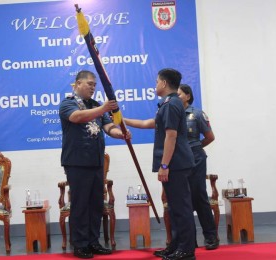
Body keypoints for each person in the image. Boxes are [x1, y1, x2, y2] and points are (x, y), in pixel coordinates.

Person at [124, 69, 196, 260]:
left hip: (176, 164)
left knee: (181, 208)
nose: (155, 85)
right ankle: (176, 245)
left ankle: (187, 250)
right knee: (173, 208)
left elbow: (171, 136)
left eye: (157, 82)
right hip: (175, 163)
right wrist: (123, 121)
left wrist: (164, 165)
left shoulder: (172, 104)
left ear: (164, 83)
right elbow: (150, 123)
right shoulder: (167, 104)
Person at [59, 70, 131, 259]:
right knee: (80, 204)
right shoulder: (68, 103)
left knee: (95, 204)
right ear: (77, 84)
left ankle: (93, 241)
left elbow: (108, 126)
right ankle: (80, 244)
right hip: (77, 162)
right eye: (89, 84)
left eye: (94, 85)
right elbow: (77, 117)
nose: (92, 87)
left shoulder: (96, 105)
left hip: (96, 161)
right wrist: (103, 109)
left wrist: (120, 134)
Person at [177, 84, 219, 250]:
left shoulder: (197, 114)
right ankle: (189, 240)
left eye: (179, 94)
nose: (176, 97)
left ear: (187, 96)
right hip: (178, 162)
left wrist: (194, 147)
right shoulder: (172, 113)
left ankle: (211, 237)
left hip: (196, 160)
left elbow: (210, 137)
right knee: (183, 201)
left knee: (199, 197)